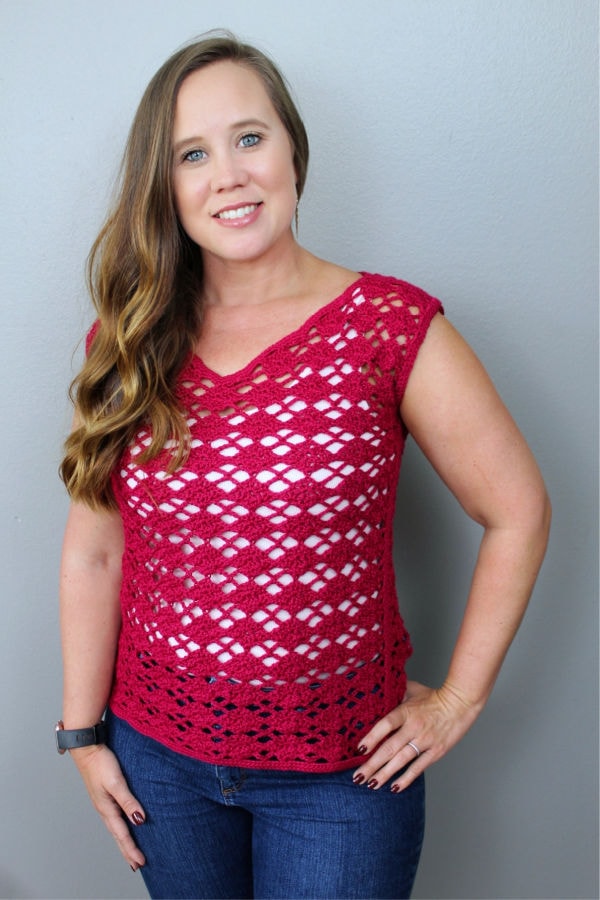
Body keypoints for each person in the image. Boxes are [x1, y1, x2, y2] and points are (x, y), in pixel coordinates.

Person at [57, 32, 551, 900]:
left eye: (250, 138)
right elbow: (97, 551)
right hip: (159, 767)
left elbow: (518, 510)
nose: (229, 174)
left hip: (339, 780)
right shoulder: (126, 345)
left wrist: (458, 700)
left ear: (293, 149)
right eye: (192, 154)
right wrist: (82, 735)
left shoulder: (390, 327)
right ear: (165, 186)